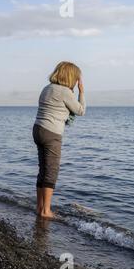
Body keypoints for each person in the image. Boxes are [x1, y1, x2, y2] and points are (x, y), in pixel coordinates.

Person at [33, 62, 86, 219]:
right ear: (71, 77)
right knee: (51, 171)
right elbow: (80, 110)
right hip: (51, 133)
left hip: (38, 129)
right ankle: (46, 211)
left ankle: (39, 207)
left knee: (43, 169)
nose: (77, 81)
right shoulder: (64, 92)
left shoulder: (46, 88)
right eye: (77, 78)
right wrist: (81, 92)